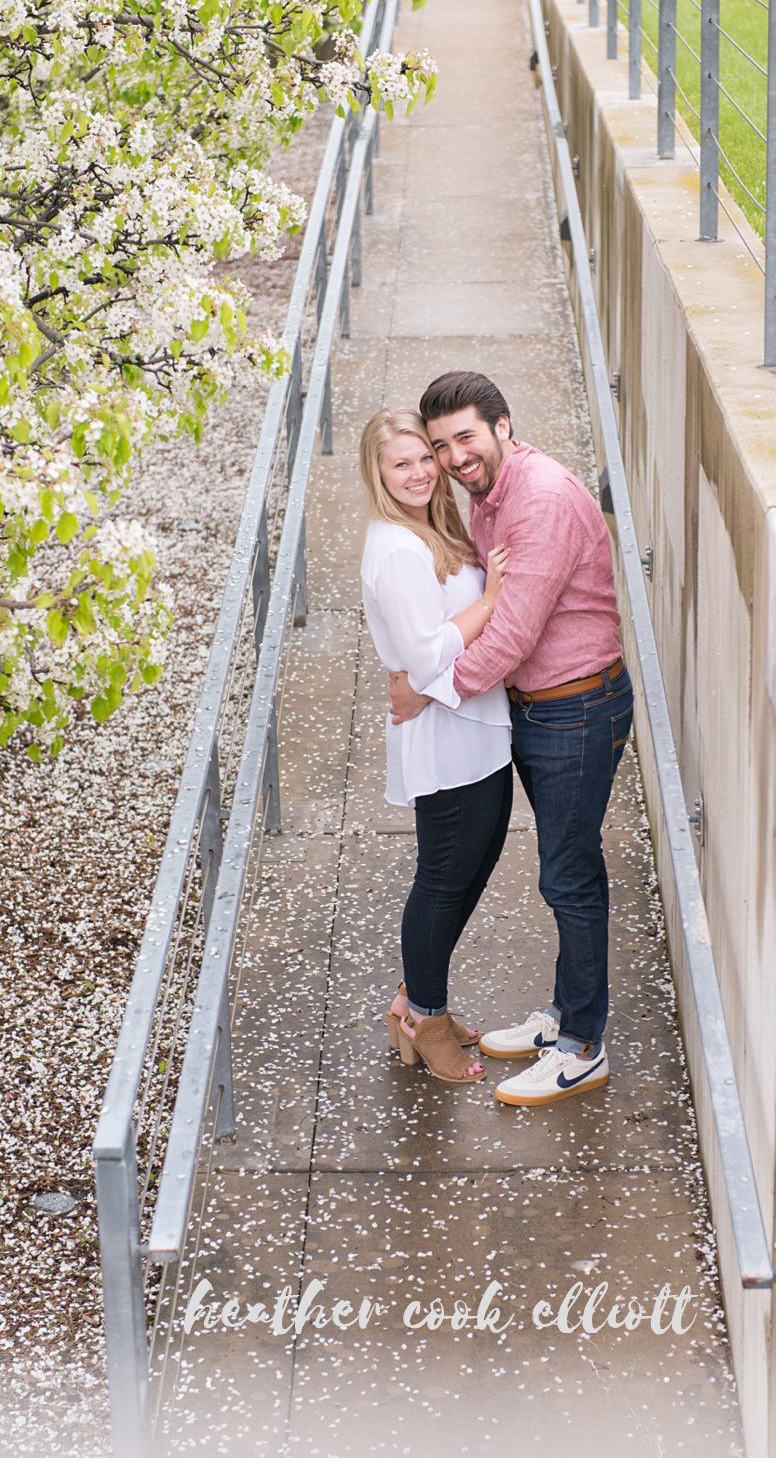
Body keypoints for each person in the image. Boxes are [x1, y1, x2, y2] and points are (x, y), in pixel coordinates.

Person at [388, 370, 630, 1108]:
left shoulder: (542, 500)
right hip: (538, 707)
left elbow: (516, 631)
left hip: (575, 709)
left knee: (570, 876)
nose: (455, 458)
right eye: (440, 446)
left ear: (503, 426)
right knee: (560, 868)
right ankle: (563, 1012)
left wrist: (428, 689)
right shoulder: (488, 492)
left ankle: (582, 1045)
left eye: (465, 437)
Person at [357, 407, 512, 1085]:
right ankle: (427, 1017)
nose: (420, 472)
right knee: (443, 882)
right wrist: (494, 600)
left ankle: (411, 1000)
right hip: (444, 738)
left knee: (469, 874)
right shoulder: (395, 548)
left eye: (425, 457)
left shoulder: (431, 527)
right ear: (378, 473)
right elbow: (423, 659)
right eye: (403, 463)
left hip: (473, 724)